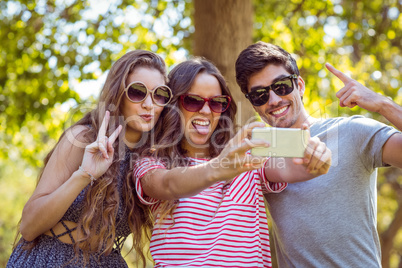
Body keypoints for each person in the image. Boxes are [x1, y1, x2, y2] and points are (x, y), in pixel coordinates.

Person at [133, 57, 331, 267]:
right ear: (173, 106)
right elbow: (167, 185)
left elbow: (292, 169)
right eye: (193, 101)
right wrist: (219, 168)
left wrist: (317, 159)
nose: (206, 111)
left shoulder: (245, 155)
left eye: (217, 103)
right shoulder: (151, 162)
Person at [235, 41, 402, 267]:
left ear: (300, 86)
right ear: (254, 105)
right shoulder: (258, 154)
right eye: (259, 95)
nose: (273, 100)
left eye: (281, 86)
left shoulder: (352, 131)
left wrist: (383, 105)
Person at [7, 50, 173, 267]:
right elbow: (28, 227)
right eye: (138, 92)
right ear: (118, 94)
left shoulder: (149, 160)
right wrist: (84, 174)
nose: (149, 104)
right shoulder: (83, 139)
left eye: (159, 94)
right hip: (50, 259)